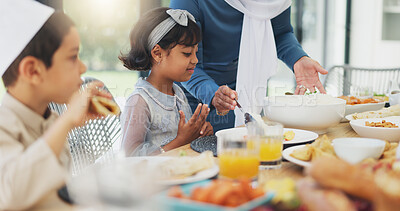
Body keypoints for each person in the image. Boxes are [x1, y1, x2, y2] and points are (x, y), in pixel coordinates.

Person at [0, 0, 111, 209]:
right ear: (33, 71)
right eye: (72, 57)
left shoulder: (50, 119)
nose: (83, 66)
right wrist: (67, 120)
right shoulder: (4, 126)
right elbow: (11, 192)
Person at [170, 0, 329, 131]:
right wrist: (213, 94)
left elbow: (280, 33)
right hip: (192, 99)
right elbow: (181, 60)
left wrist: (298, 58)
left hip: (241, 95)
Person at [119, 7, 213, 156]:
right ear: (157, 53)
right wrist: (180, 141)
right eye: (187, 53)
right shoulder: (140, 102)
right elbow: (130, 159)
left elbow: (185, 141)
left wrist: (198, 134)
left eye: (195, 52)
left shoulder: (178, 93)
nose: (195, 60)